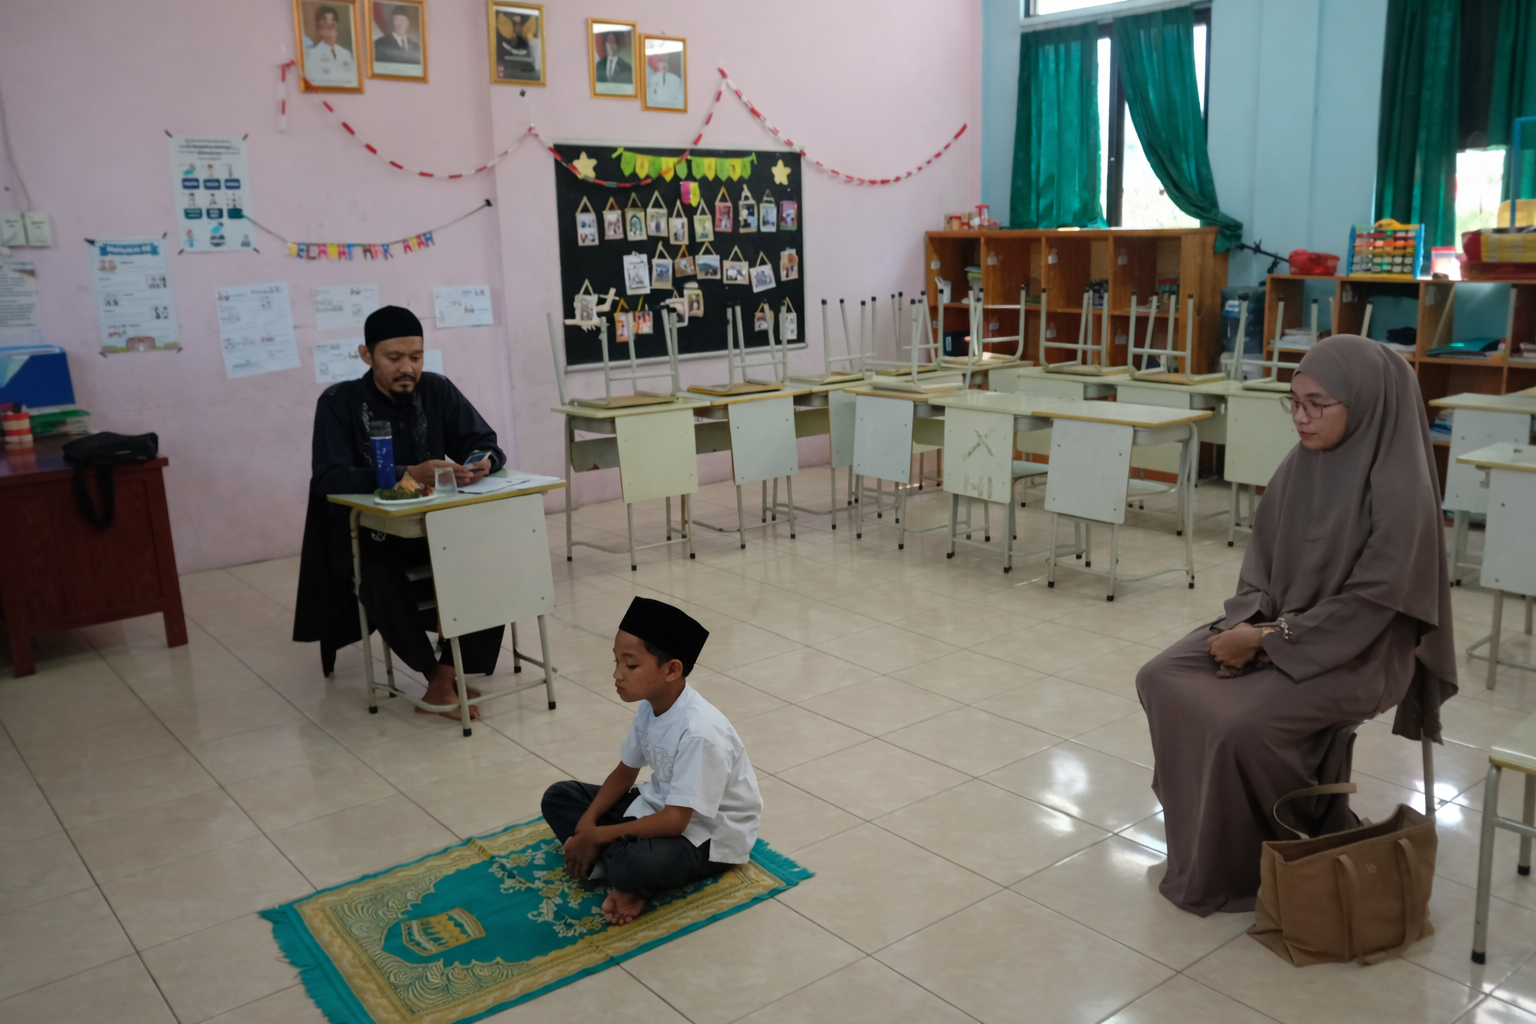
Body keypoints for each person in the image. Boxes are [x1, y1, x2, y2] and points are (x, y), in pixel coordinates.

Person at [1135, 335, 1457, 916]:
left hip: (1362, 655)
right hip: (1276, 628)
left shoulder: (1400, 488)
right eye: (1294, 402)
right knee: (1161, 677)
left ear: (1364, 405)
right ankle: (1203, 849)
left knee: (1237, 725)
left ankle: (1257, 861)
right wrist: (1253, 624)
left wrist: (1267, 641)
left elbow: (1374, 603)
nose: (1302, 419)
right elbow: (1260, 567)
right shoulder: (1298, 468)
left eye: (1317, 405)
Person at [293, 306, 506, 718]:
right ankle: (435, 677)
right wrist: (409, 473)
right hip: (368, 537)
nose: (407, 368)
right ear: (366, 354)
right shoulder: (339, 403)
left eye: (416, 357)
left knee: (492, 562)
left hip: (435, 528)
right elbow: (328, 477)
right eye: (394, 358)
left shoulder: (437, 390)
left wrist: (482, 461)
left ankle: (448, 673)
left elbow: (483, 440)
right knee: (378, 577)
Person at [542, 598, 763, 925]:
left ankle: (626, 877)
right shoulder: (651, 704)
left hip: (708, 836)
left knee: (632, 866)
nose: (617, 674)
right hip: (661, 806)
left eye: (630, 666)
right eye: (616, 661)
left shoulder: (699, 732)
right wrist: (588, 823)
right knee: (559, 796)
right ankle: (619, 870)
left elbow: (677, 821)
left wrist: (598, 837)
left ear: (672, 669)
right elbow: (625, 771)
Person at [305, 5, 357, 87]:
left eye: (333, 22)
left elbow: (353, 81)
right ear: (318, 27)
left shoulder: (347, 54)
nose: (329, 24)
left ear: (338, 27)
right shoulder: (310, 54)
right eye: (325, 22)